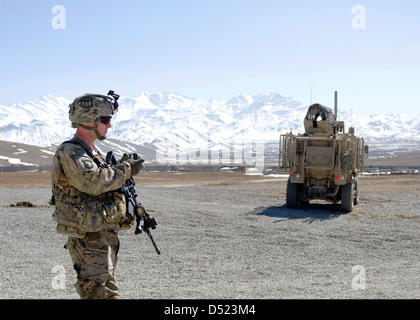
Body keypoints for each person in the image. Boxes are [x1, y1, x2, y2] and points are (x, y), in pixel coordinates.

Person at [50, 91, 144, 299]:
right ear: (88, 120)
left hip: (101, 235)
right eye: (105, 119)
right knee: (102, 294)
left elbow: (106, 181)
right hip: (88, 239)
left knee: (104, 292)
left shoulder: (92, 153)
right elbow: (93, 182)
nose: (109, 125)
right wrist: (126, 169)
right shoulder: (71, 152)